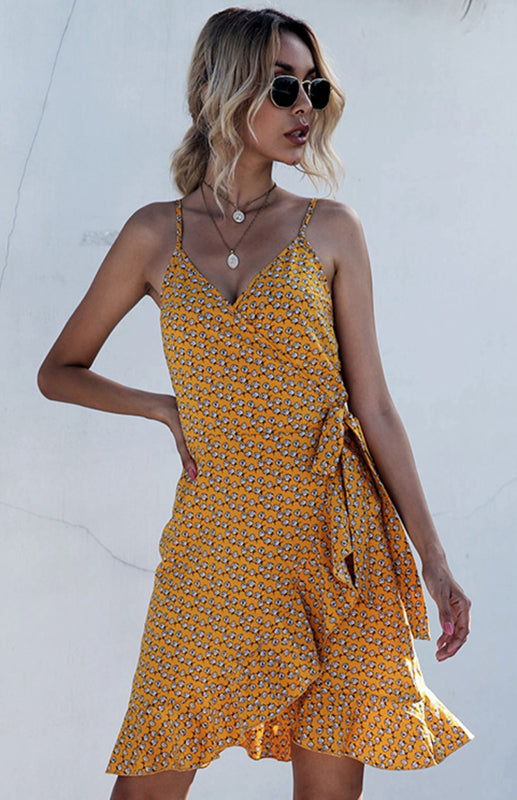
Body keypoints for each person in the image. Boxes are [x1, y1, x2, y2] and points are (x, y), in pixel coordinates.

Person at [37, 7, 473, 800]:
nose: (305, 107)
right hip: (216, 539)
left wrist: (433, 562)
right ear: (222, 91)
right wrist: (162, 407)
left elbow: (374, 406)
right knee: (147, 781)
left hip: (334, 545)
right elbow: (59, 370)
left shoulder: (331, 230)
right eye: (282, 87)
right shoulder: (154, 235)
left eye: (314, 89)